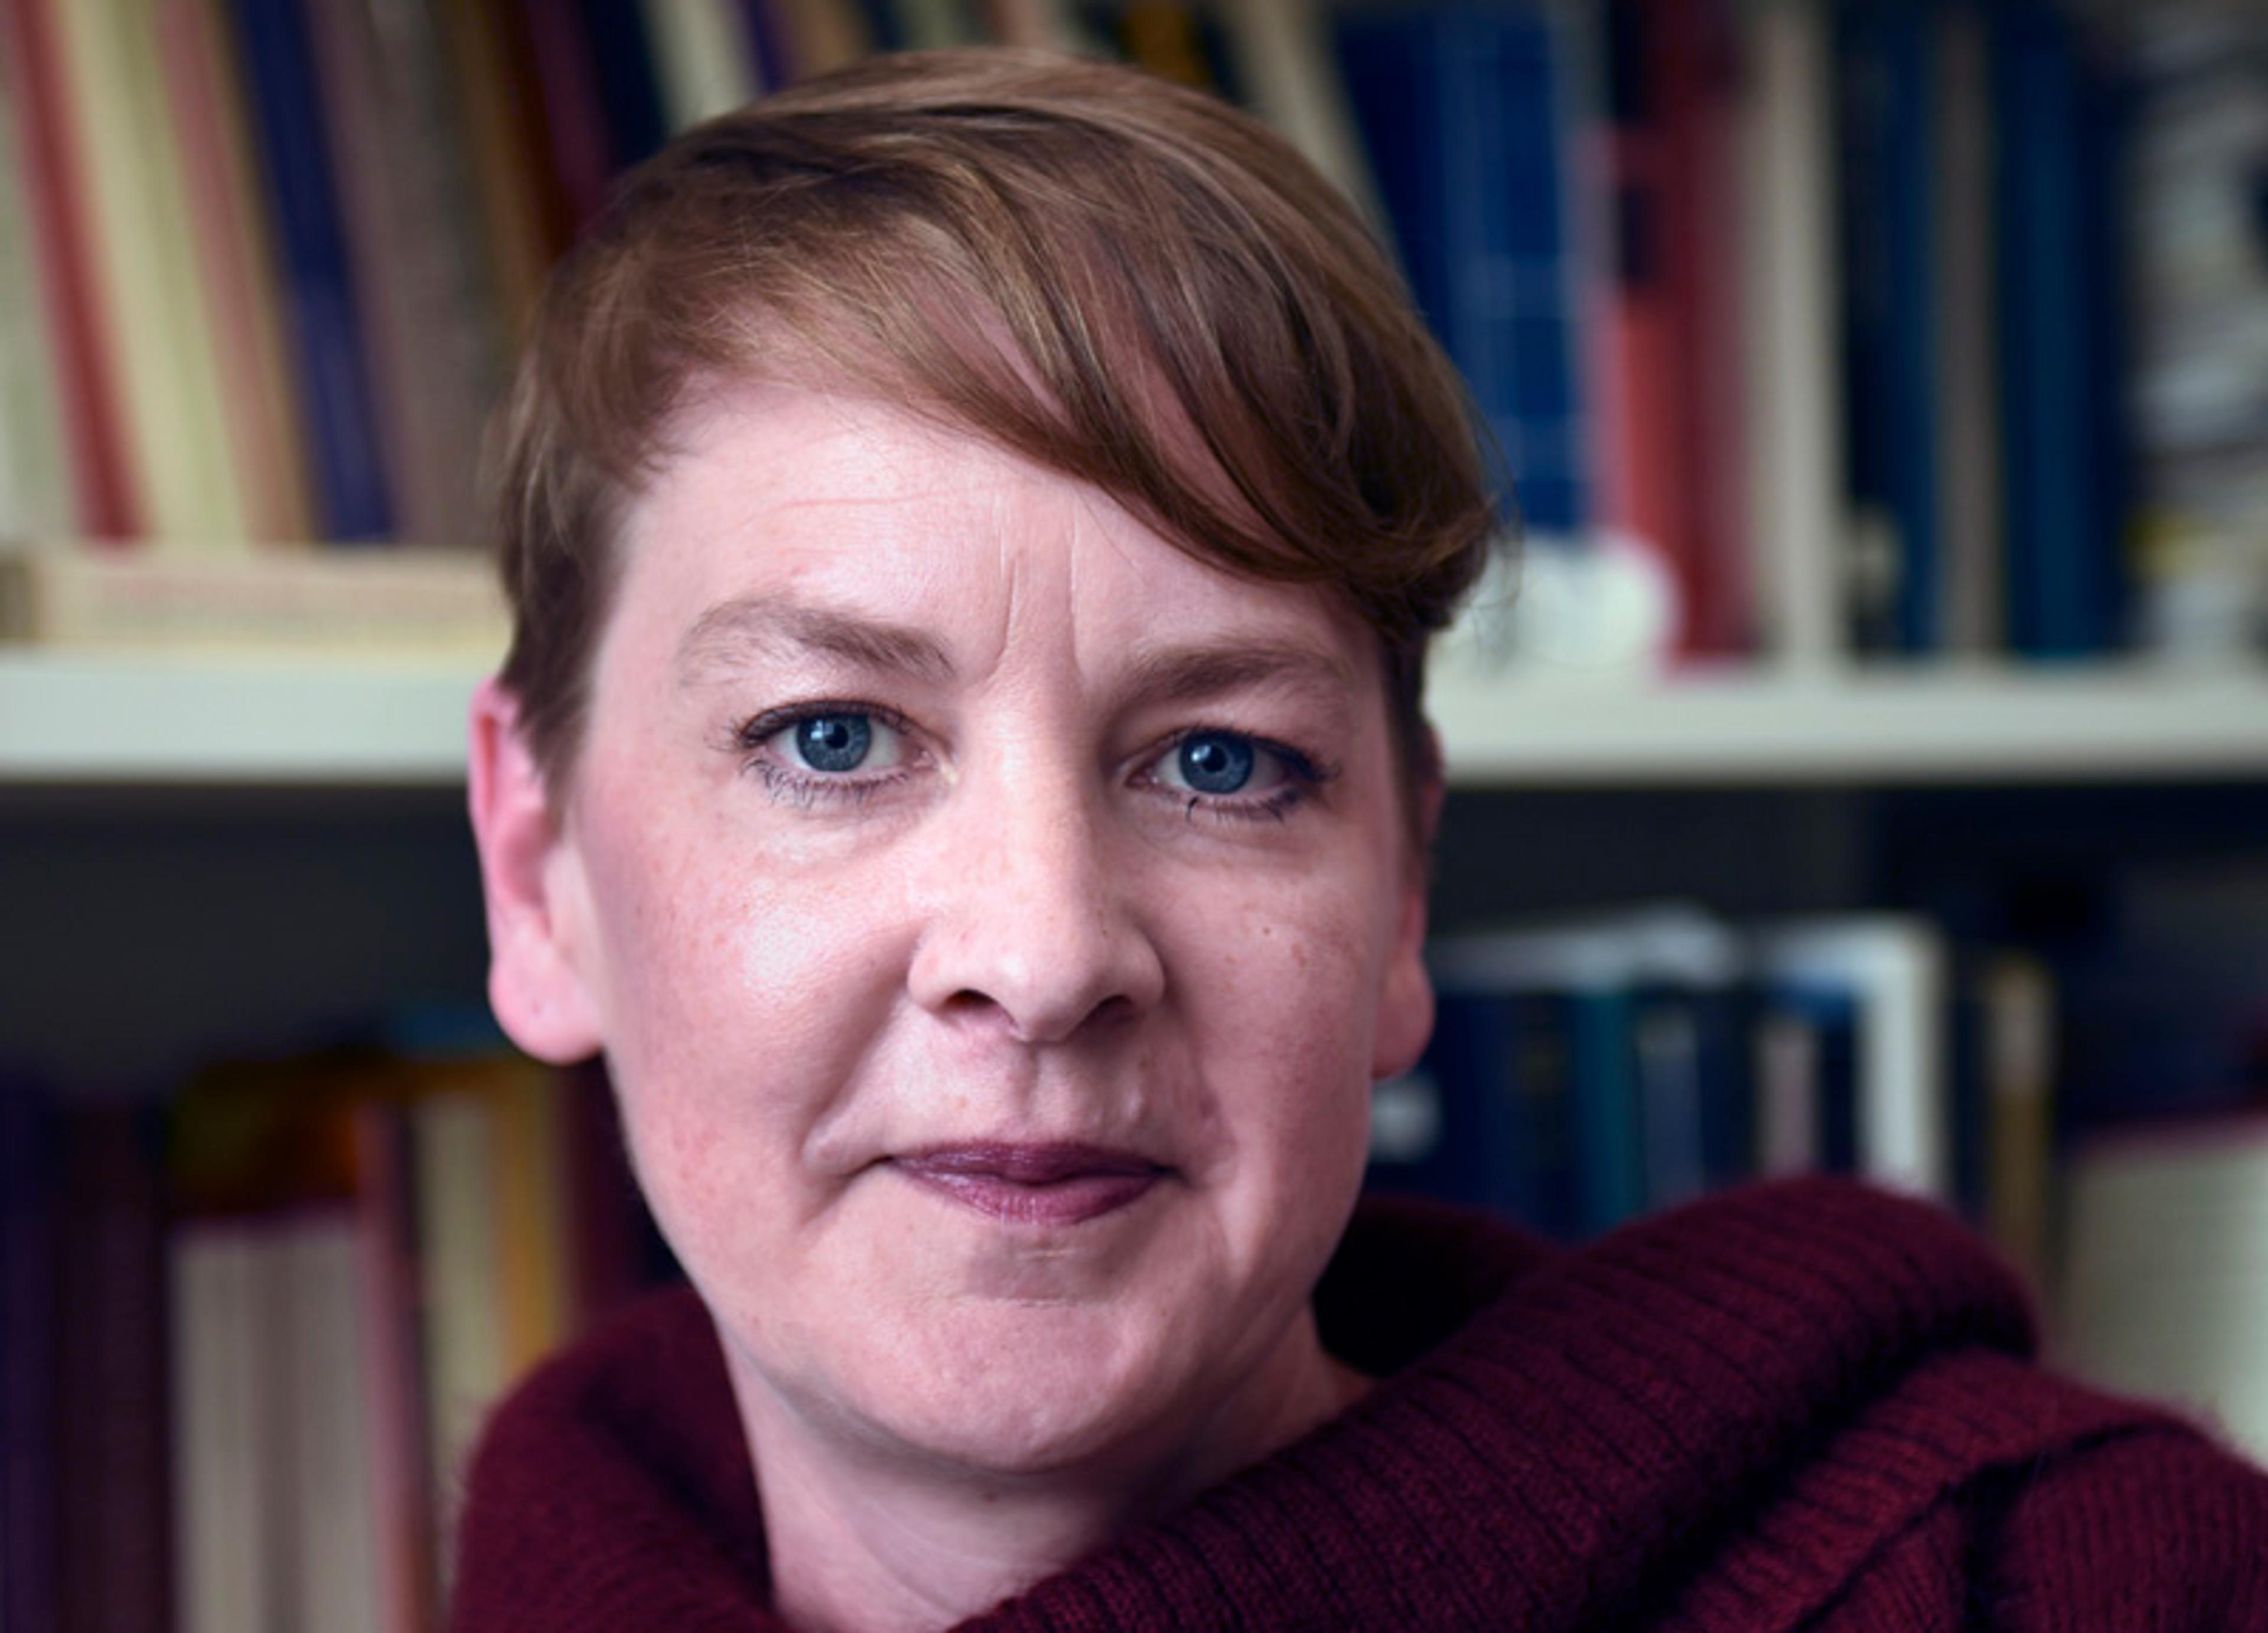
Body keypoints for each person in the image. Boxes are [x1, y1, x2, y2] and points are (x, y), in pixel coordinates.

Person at [458, 47, 2268, 1633]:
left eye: (1224, 764)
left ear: (1402, 888)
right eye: (831, 741)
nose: (1048, 951)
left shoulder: (2087, 1582)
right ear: (540, 876)